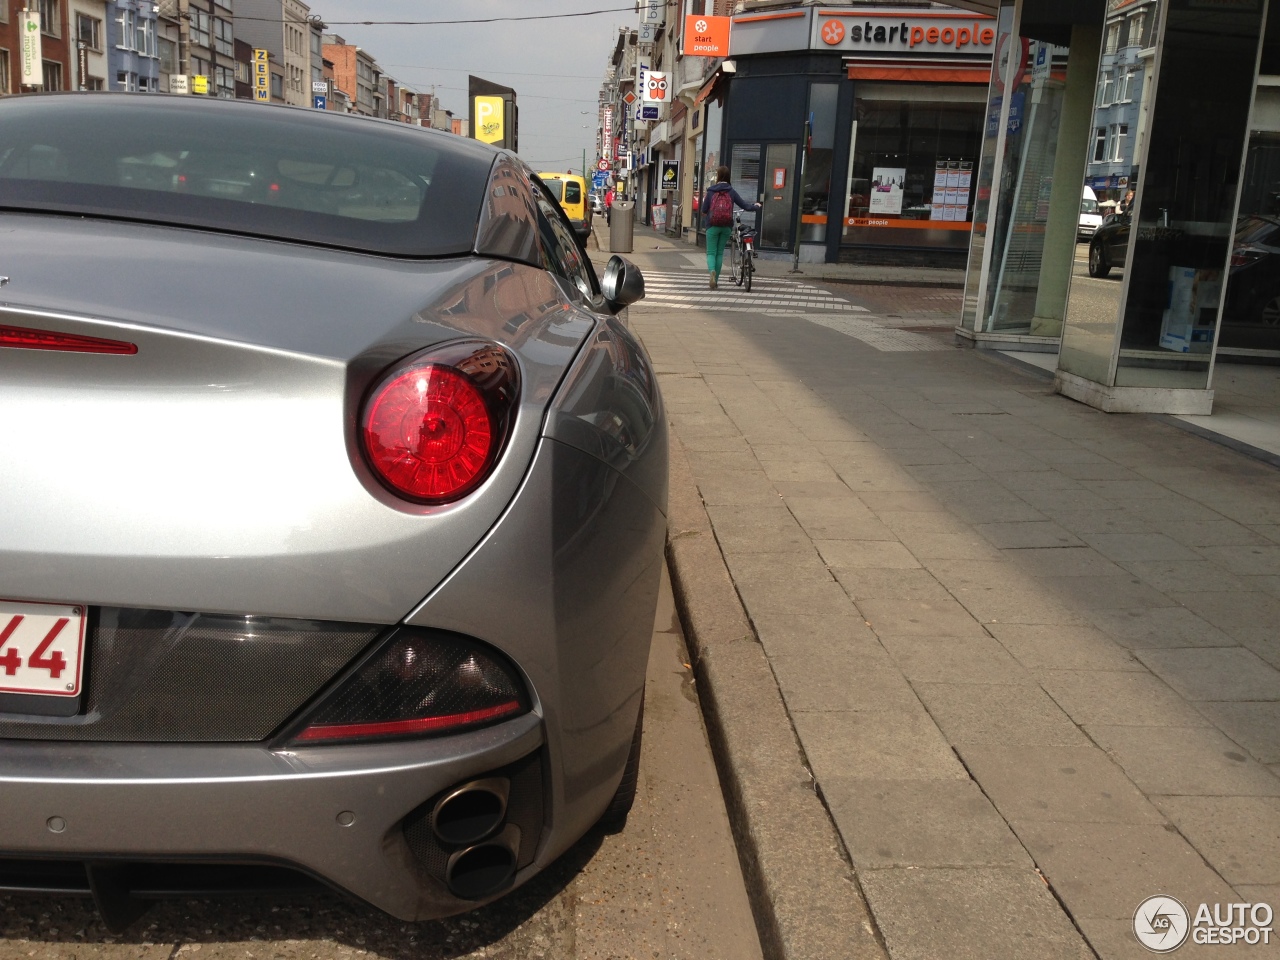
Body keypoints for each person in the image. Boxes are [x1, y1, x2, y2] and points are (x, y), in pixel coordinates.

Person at [700, 166, 760, 290]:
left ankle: (712, 272)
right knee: (720, 253)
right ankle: (715, 281)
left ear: (718, 176)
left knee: (711, 253)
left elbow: (704, 210)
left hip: (712, 226)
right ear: (728, 177)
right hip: (726, 226)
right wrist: (756, 206)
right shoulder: (731, 191)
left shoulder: (711, 191)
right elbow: (745, 206)